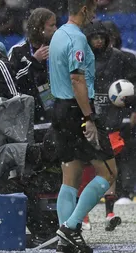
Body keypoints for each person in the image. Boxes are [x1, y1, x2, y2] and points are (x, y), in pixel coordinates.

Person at [49, 0, 117, 252]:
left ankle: (65, 240)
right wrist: (88, 118)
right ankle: (70, 227)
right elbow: (77, 78)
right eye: (94, 10)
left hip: (60, 108)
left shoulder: (58, 34)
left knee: (70, 177)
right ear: (85, 9)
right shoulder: (77, 38)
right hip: (78, 110)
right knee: (109, 172)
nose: (95, 16)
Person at [83, 19, 136, 231]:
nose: (97, 41)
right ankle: (84, 215)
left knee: (109, 168)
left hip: (111, 121)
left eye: (100, 37)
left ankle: (109, 212)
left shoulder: (122, 59)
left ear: (107, 39)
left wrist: (132, 106)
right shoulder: (82, 60)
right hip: (87, 120)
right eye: (93, 38)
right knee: (85, 168)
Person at [8, 8, 57, 129]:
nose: (56, 29)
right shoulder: (17, 51)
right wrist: (33, 61)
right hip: (28, 113)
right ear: (40, 28)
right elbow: (11, 82)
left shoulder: (57, 47)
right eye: (52, 25)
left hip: (55, 112)